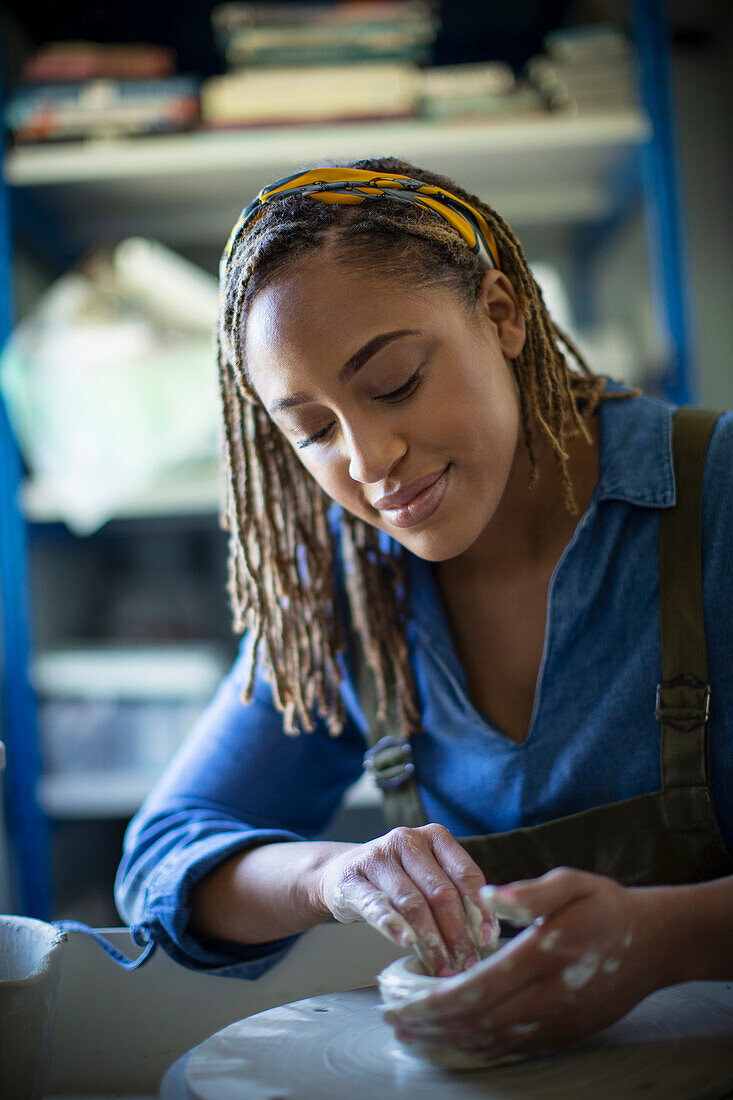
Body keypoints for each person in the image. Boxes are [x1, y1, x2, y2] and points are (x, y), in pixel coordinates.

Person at [115, 158, 733, 1060]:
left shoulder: (712, 495)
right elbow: (162, 859)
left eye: (396, 382)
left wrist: (664, 937)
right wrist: (333, 874)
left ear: (499, 313)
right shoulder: (346, 583)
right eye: (314, 431)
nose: (369, 462)